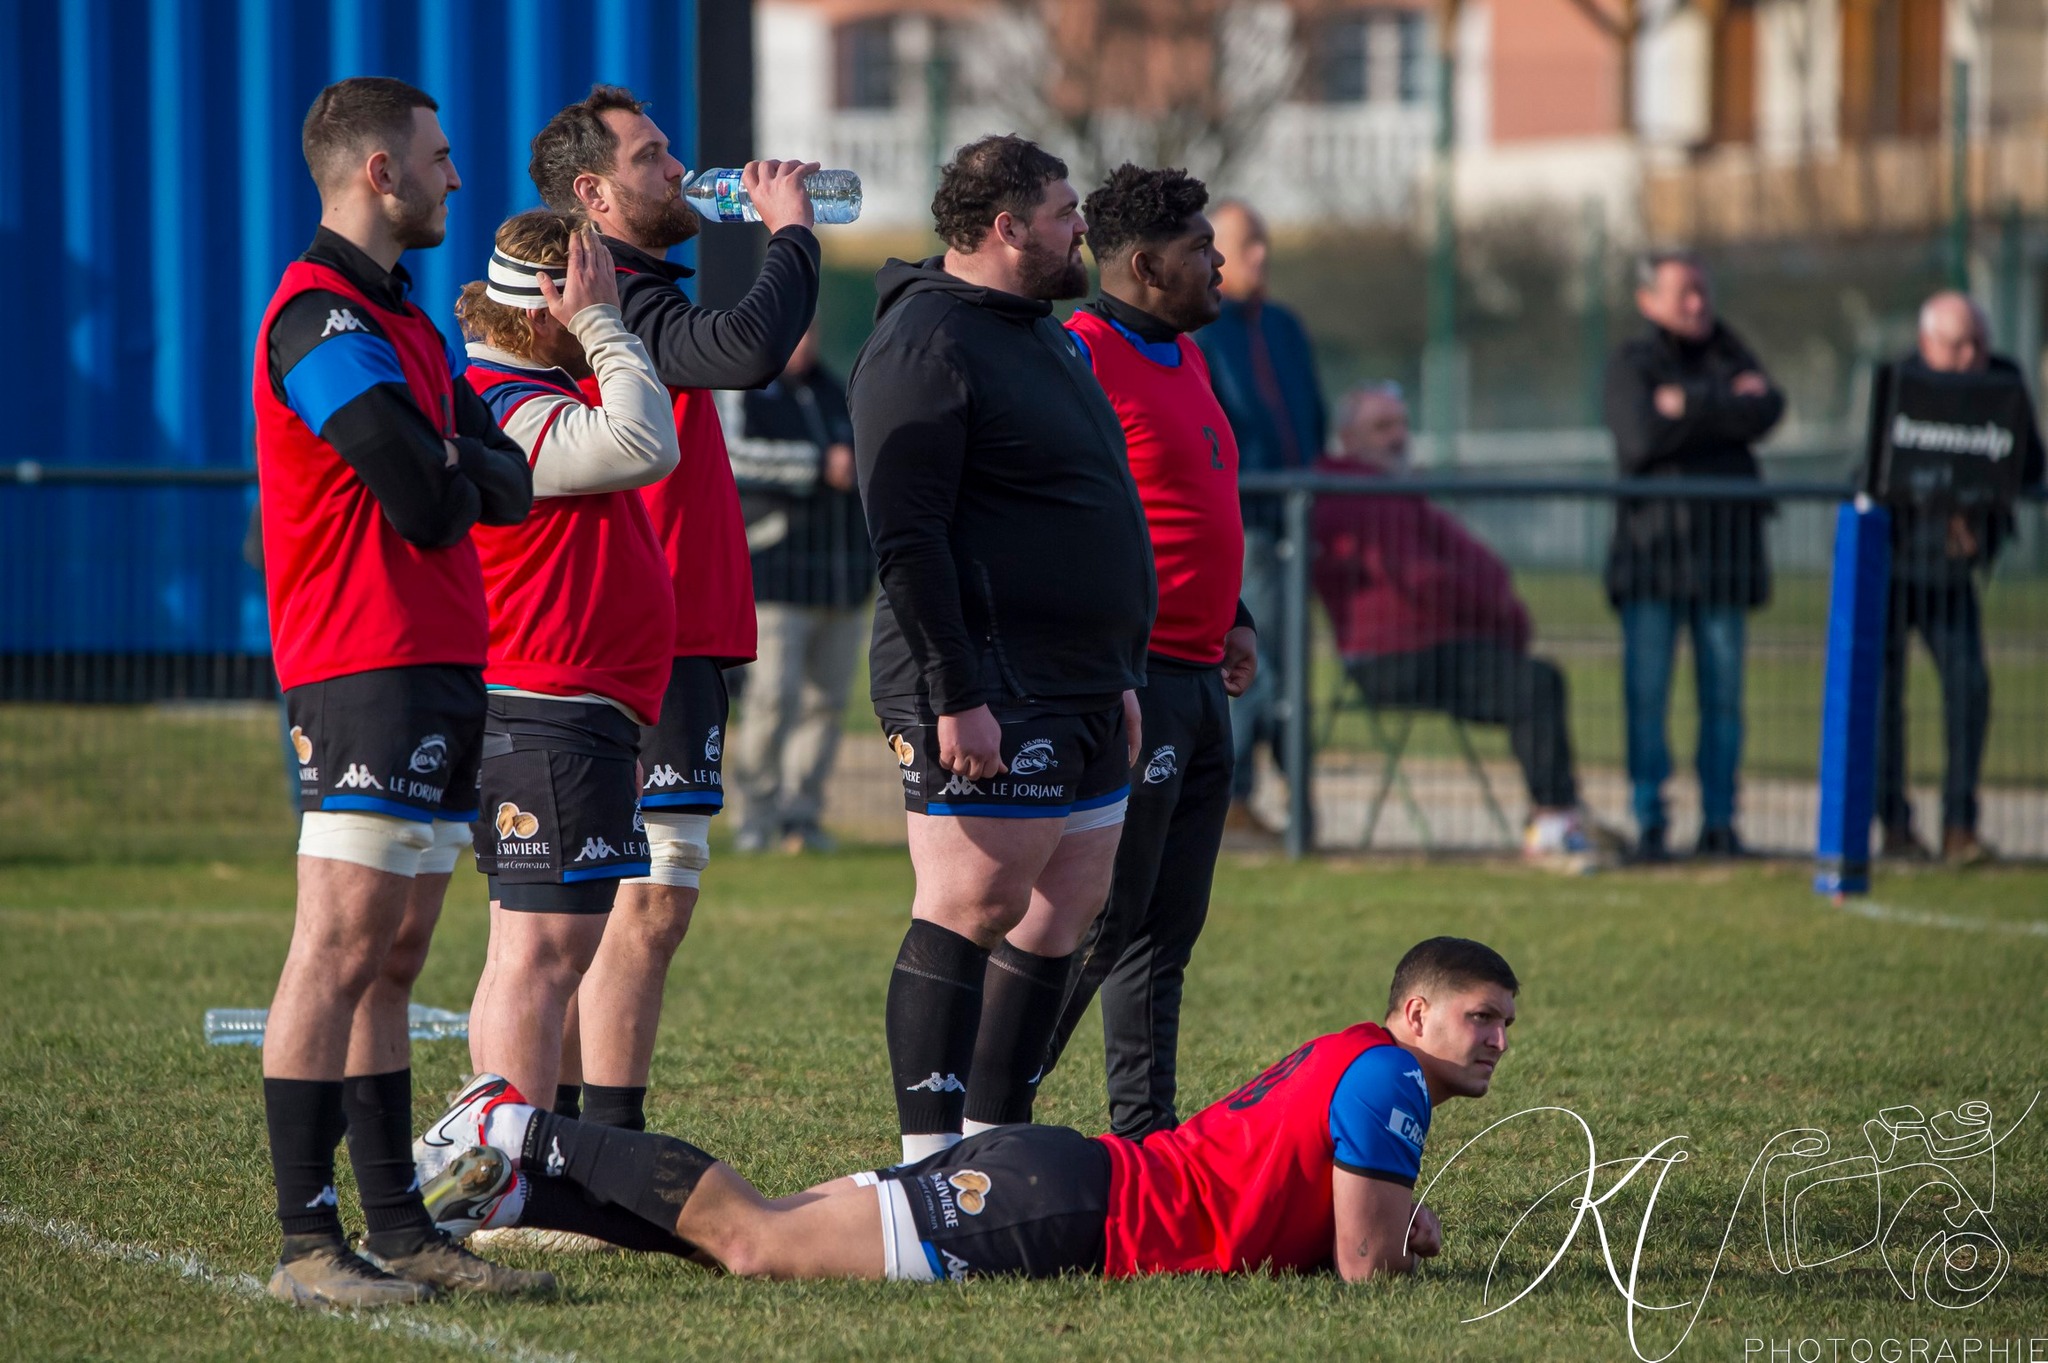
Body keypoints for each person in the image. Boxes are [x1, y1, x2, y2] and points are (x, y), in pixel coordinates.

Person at [416, 936, 1517, 1284]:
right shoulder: (1387, 1082)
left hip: (1058, 1180)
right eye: (1477, 1018)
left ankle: (512, 1185)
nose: (1494, 1043)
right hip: (1060, 1209)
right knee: (757, 1239)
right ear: (1413, 1011)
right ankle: (518, 1125)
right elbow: (1364, 1270)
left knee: (766, 1232)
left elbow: (1295, 1195)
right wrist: (1386, 1240)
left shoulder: (1352, 1055)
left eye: (1504, 1025)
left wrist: (1364, 1220)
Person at [251, 77, 544, 1306]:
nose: (455, 178)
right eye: (437, 156)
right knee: (339, 940)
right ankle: (305, 1243)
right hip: (358, 661)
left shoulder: (410, 326)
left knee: (400, 951)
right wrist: (452, 462)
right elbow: (430, 493)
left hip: (437, 658)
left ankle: (398, 1226)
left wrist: (451, 460)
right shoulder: (317, 320)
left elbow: (506, 482)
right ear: (379, 170)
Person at [850, 134, 1155, 1161]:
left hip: (1079, 682)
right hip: (982, 681)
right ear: (1005, 227)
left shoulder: (1045, 333)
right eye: (1066, 213)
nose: (1082, 230)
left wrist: (1115, 667)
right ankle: (927, 1162)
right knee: (971, 901)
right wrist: (953, 690)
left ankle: (992, 1140)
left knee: (1068, 901)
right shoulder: (924, 340)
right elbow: (907, 536)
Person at [526, 86, 820, 1134]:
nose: (677, 168)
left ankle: (582, 1145)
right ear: (591, 194)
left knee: (636, 904)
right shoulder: (612, 303)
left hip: (673, 639)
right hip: (630, 643)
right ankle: (586, 1145)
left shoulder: (636, 292)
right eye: (652, 157)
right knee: (621, 906)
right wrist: (792, 233)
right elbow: (745, 351)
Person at [433, 213, 680, 1161]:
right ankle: (499, 1172)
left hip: (567, 704)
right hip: (549, 703)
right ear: (548, 307)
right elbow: (645, 442)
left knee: (533, 954)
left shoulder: (518, 387)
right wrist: (608, 329)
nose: (601, 308)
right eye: (584, 294)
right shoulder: (509, 400)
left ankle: (501, 1164)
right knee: (541, 958)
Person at [1038, 164, 1257, 1138]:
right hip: (1130, 681)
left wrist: (1237, 612)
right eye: (1199, 250)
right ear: (1141, 264)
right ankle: (982, 1114)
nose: (1216, 263)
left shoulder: (1186, 354)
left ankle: (1144, 1135)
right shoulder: (1078, 352)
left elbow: (1192, 504)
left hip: (1199, 676)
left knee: (1165, 930)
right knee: (1099, 924)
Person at [1312, 384, 1610, 871]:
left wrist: (1493, 603)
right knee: (1534, 683)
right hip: (1392, 658)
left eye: (1402, 424)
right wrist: (1495, 610)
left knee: (1533, 679)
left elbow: (1476, 565)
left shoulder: (1400, 492)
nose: (1398, 436)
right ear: (1348, 437)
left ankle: (1562, 812)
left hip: (1437, 646)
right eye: (1382, 427)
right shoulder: (1356, 495)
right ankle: (1555, 822)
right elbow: (1423, 577)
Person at [1603, 251, 1784, 861]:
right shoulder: (1632, 362)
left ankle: (1719, 823)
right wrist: (1723, 406)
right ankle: (1650, 820)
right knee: (1647, 697)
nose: (1697, 304)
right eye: (1683, 293)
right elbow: (1640, 436)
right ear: (1648, 301)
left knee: (1724, 700)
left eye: (1702, 291)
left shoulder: (1733, 350)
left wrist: (1687, 404)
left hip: (1724, 561)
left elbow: (1767, 411)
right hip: (1653, 561)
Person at [1874, 292, 2047, 865]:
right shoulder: (1902, 385)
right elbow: (1876, 469)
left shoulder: (2002, 383)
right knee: (1882, 701)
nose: (1970, 354)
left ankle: (1960, 826)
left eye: (1978, 342)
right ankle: (1895, 827)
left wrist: (1980, 503)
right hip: (1892, 566)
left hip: (1951, 573)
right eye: (1956, 344)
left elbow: (2028, 463)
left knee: (1970, 691)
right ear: (1927, 343)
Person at [720, 318, 875, 854]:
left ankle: (802, 818)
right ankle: (755, 820)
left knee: (826, 705)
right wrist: (817, 465)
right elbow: (733, 458)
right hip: (777, 580)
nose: (804, 342)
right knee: (771, 701)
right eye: (794, 332)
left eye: (810, 332)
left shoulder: (841, 391)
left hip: (844, 581)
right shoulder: (747, 391)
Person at [1197, 200, 1327, 837]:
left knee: (1293, 667)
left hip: (1295, 526)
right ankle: (1237, 797)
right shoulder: (1202, 332)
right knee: (1251, 665)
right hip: (1242, 529)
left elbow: (1313, 417)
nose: (1260, 256)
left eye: (1264, 242)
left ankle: (1298, 802)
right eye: (1246, 244)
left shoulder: (1285, 326)